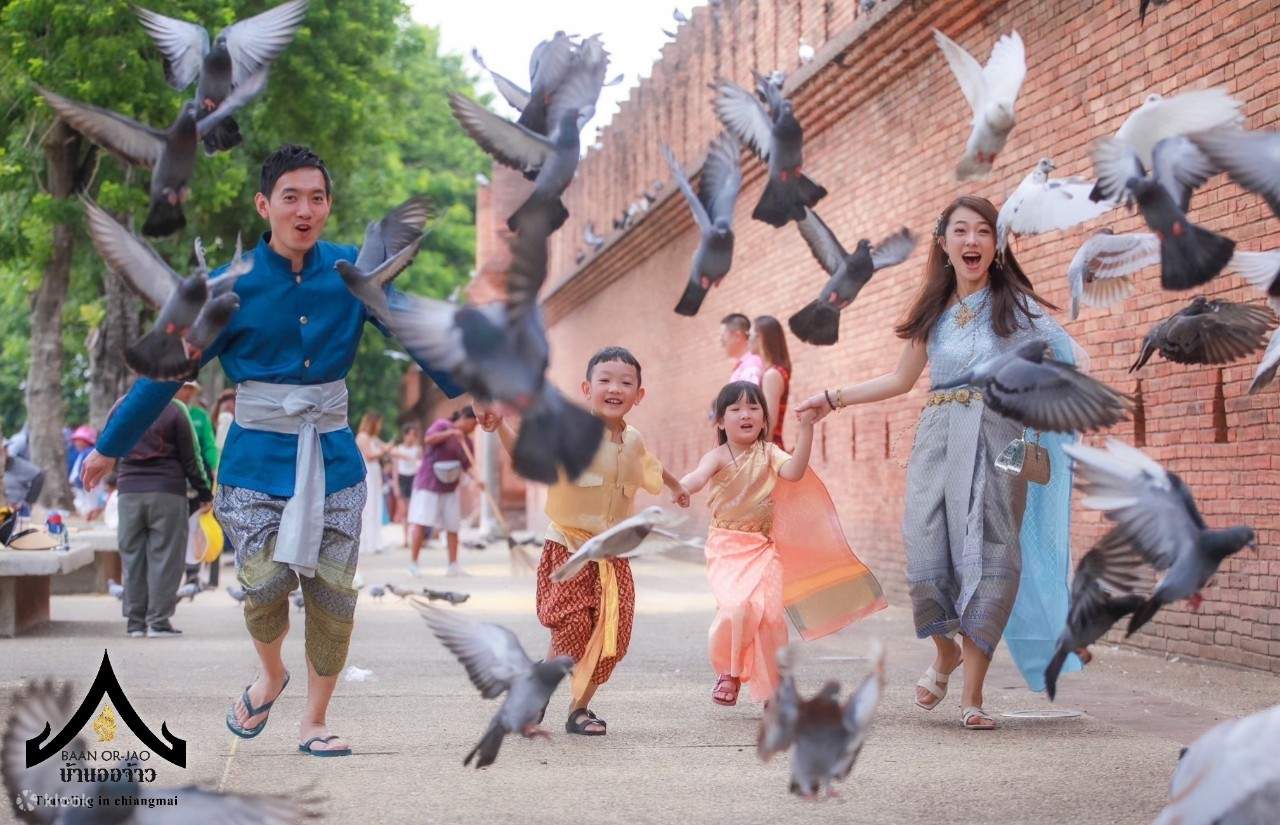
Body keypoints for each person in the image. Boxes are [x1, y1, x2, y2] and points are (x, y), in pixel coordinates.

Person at [81, 144, 463, 757]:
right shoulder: (229, 284)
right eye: (291, 197)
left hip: (335, 460)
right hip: (253, 464)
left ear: (328, 206)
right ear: (265, 205)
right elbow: (170, 368)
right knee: (262, 586)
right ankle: (271, 674)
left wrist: (475, 390)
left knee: (333, 594)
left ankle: (315, 721)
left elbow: (413, 328)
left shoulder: (351, 271)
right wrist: (110, 446)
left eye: (316, 198)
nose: (304, 210)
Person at [796, 195, 1081, 730]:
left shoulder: (1017, 308)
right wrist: (833, 398)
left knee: (988, 554)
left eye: (984, 231)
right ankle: (945, 651)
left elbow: (1065, 358)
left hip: (997, 440)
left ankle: (972, 695)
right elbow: (900, 380)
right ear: (943, 242)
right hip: (937, 439)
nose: (972, 241)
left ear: (997, 244)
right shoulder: (934, 313)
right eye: (961, 231)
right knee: (925, 546)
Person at [481, 346, 690, 736]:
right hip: (569, 548)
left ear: (639, 394)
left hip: (613, 555)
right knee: (573, 624)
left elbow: (653, 467)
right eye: (605, 380)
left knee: (613, 638)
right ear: (586, 389)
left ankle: (579, 710)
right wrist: (500, 428)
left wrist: (677, 488)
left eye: (625, 382)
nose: (615, 388)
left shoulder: (634, 440)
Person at [113, 399, 213, 638]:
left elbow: (107, 448)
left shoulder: (120, 406)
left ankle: (135, 623)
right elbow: (192, 457)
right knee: (166, 557)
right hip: (167, 491)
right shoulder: (175, 408)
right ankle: (158, 622)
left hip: (128, 491)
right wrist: (204, 491)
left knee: (132, 557)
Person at [407, 408, 483, 577]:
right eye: (473, 424)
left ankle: (453, 565)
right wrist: (451, 433)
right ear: (464, 418)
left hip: (450, 487)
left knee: (452, 525)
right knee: (421, 522)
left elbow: (467, 466)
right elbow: (428, 439)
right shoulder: (442, 425)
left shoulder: (467, 442)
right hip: (429, 484)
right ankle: (413, 563)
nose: (474, 428)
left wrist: (478, 480)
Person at [750, 315, 793, 448]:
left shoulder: (772, 375)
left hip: (769, 451)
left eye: (750, 334)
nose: (748, 339)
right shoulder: (770, 372)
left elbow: (769, 425)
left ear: (760, 337)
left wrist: (760, 457)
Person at [355, 412, 390, 557]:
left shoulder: (373, 438)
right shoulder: (362, 437)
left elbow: (387, 447)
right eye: (379, 423)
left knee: (376, 507)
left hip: (375, 474)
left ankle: (375, 541)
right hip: (368, 474)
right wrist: (384, 451)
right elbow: (369, 456)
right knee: (369, 507)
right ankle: (367, 542)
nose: (380, 426)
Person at [176, 381, 220, 477]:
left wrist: (214, 466)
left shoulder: (201, 415)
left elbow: (209, 443)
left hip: (197, 467)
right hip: (174, 467)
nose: (188, 392)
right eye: (185, 388)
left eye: (191, 389)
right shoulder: (167, 412)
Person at [390, 423, 422, 547]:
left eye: (414, 435)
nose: (412, 437)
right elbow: (395, 469)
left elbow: (421, 466)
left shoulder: (418, 449)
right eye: (410, 434)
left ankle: (414, 537)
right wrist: (396, 485)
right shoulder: (398, 450)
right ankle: (405, 539)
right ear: (405, 435)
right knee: (404, 511)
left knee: (414, 510)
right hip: (402, 478)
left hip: (414, 478)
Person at [721, 313, 763, 385]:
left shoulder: (751, 364)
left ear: (737, 336)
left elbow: (748, 392)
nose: (722, 343)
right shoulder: (742, 366)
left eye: (723, 337)